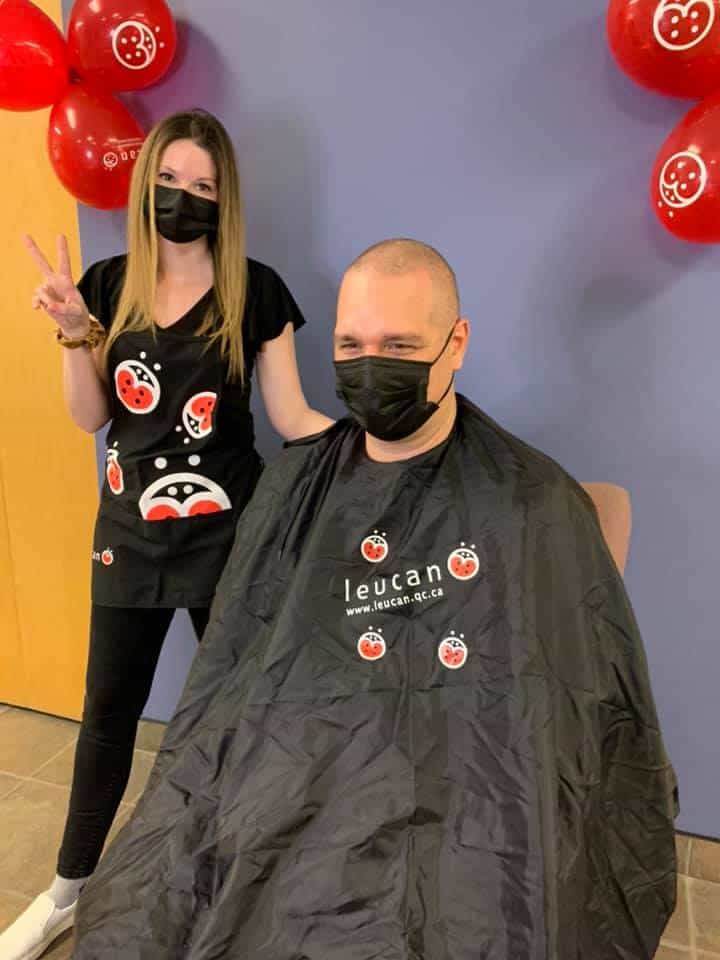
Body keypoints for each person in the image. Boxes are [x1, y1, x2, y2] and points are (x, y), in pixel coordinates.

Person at [75, 239, 676, 959]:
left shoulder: (532, 501)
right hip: (304, 774)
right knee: (154, 915)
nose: (370, 365)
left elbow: (575, 708)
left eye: (399, 346)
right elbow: (242, 673)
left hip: (475, 803)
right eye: (351, 346)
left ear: (456, 344)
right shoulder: (293, 490)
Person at [0, 109, 333, 960]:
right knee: (108, 713)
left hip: (230, 538)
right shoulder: (108, 284)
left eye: (203, 185)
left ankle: (245, 879)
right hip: (129, 534)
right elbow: (92, 418)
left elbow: (292, 417)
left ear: (225, 199)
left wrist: (382, 445)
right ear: (146, 181)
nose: (184, 196)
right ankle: (67, 889)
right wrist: (72, 329)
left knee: (242, 712)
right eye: (171, 179)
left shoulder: (256, 290)